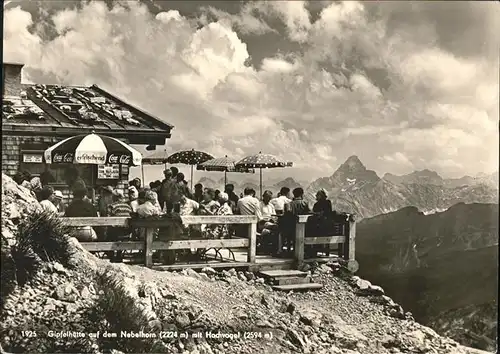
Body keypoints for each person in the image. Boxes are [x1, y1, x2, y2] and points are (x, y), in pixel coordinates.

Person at [106, 189, 133, 262]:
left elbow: (108, 221)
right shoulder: (128, 206)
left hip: (115, 233)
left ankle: (111, 256)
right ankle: (119, 254)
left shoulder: (112, 206)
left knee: (108, 233)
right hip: (127, 233)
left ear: (114, 197)